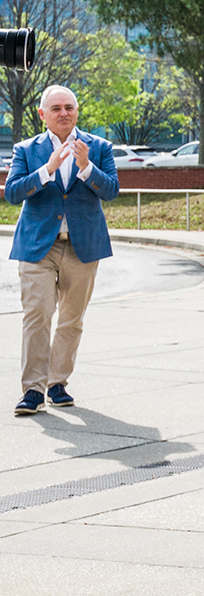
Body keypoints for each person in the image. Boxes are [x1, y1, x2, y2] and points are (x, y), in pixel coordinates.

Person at [8, 85, 118, 415]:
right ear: (42, 114)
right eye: (56, 108)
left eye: (69, 107)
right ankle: (33, 390)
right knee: (38, 315)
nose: (64, 113)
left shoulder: (99, 147)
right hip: (37, 247)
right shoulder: (26, 150)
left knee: (71, 320)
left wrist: (87, 167)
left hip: (82, 246)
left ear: (77, 111)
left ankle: (57, 384)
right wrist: (47, 170)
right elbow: (12, 193)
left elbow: (111, 191)